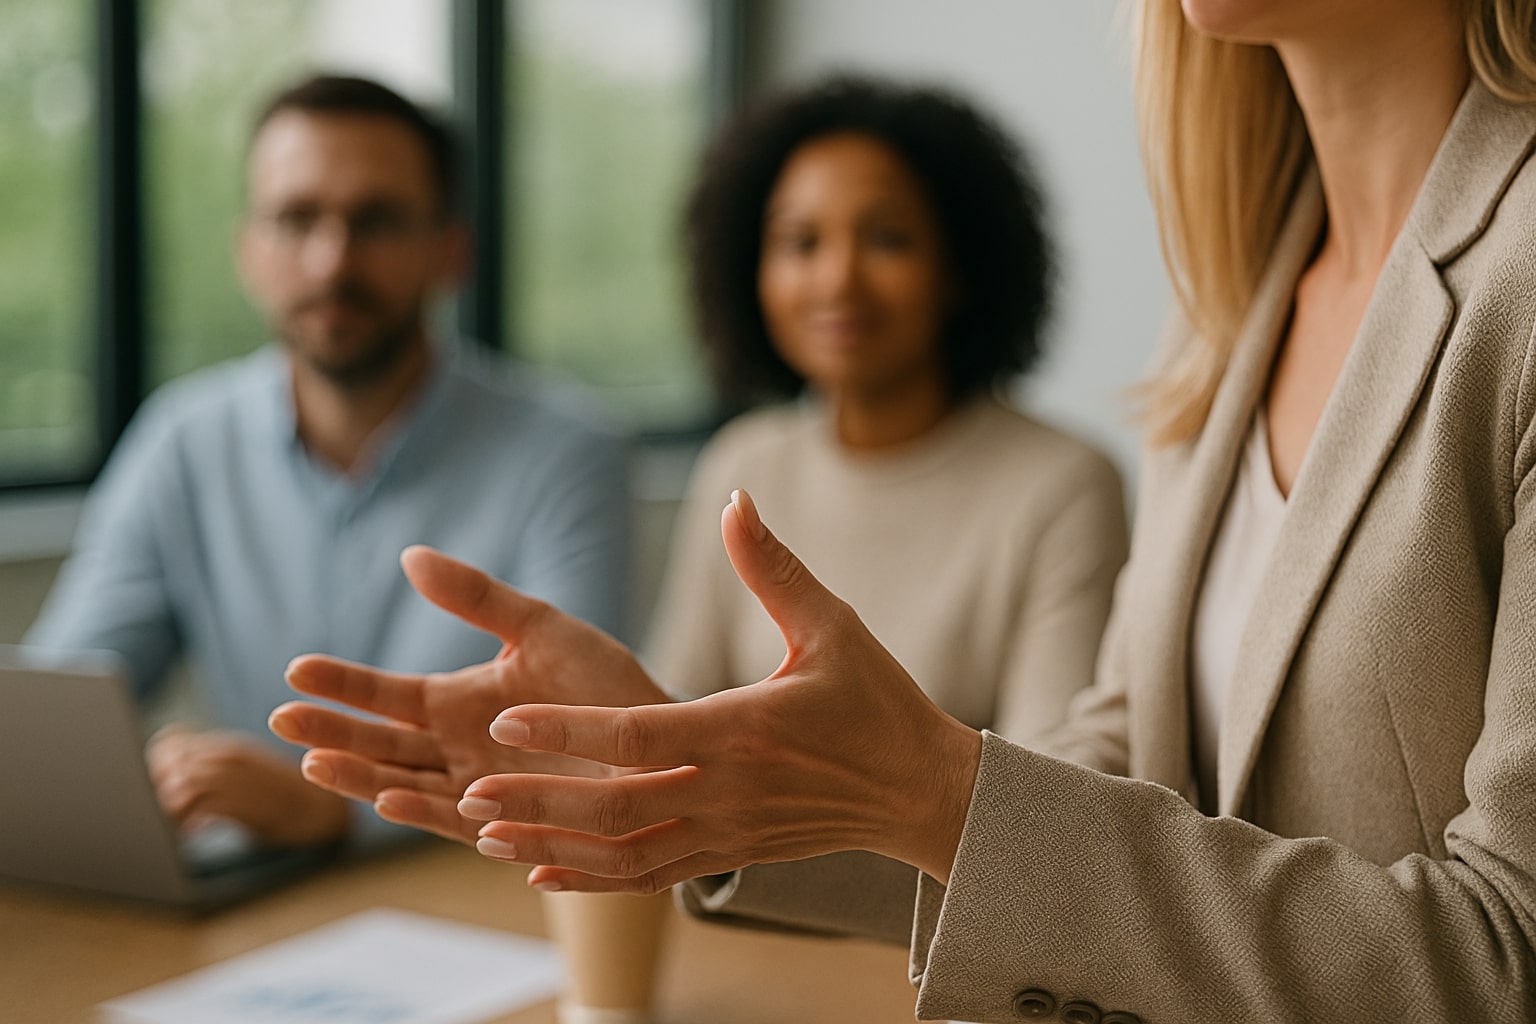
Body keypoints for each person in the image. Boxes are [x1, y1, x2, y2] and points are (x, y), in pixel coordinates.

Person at [272, 0, 1536, 1019]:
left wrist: (940, 788)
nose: (836, 278)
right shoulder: (1237, 307)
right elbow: (1136, 772)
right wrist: (662, 765)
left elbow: (1509, 958)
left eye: (884, 238)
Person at [546, 77, 1128, 1024]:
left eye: (888, 238)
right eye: (800, 242)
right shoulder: (744, 460)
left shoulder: (1062, 483)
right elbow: (665, 723)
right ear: (750, 267)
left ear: (959, 266)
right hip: (732, 951)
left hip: (945, 981)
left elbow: (1048, 806)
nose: (837, 279)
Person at [27, 74, 630, 853]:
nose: (331, 261)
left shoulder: (570, 455)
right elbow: (56, 710)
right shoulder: (180, 442)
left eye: (375, 221)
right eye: (296, 218)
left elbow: (579, 757)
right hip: (247, 908)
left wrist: (342, 815)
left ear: (450, 250)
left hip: (479, 895)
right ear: (249, 251)